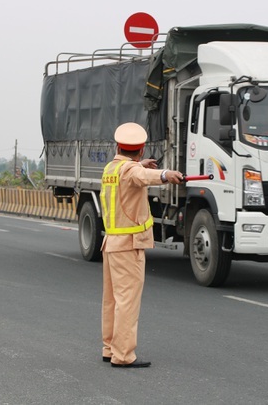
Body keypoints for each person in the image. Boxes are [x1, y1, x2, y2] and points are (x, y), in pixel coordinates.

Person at [100, 122, 184, 368]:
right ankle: (123, 355)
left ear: (118, 147)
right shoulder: (131, 171)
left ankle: (109, 348)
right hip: (128, 245)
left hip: (111, 242)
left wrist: (140, 164)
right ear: (141, 149)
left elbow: (133, 172)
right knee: (127, 301)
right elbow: (141, 176)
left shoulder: (111, 168)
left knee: (112, 300)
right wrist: (165, 174)